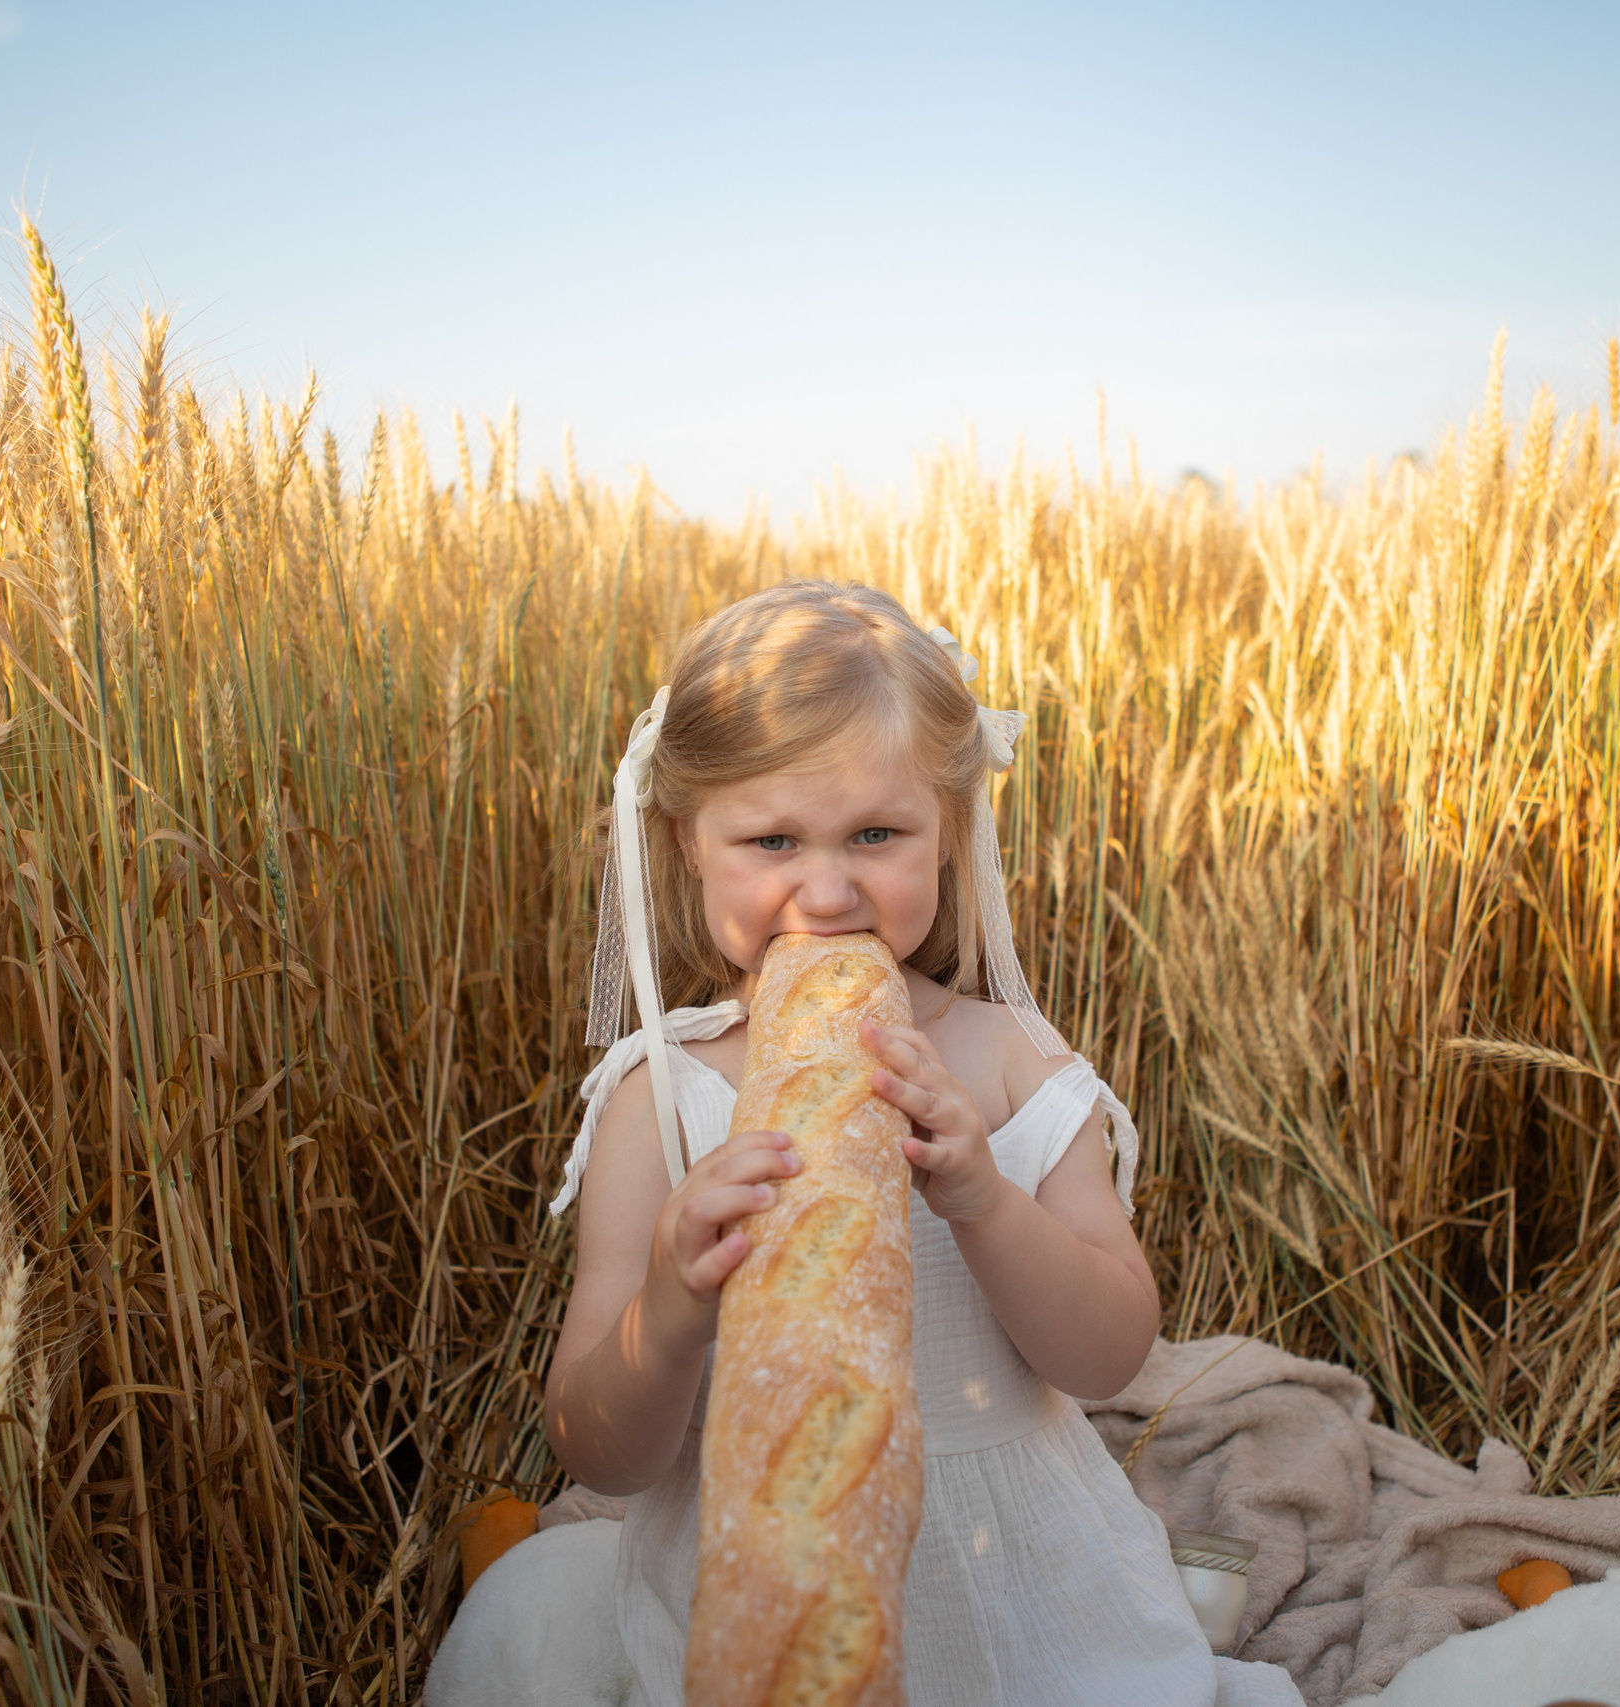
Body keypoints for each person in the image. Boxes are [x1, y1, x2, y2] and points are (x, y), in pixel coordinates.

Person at [524, 582, 1302, 1706]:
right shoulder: (664, 1098)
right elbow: (597, 1451)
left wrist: (984, 1198)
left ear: (950, 837)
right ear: (686, 842)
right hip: (769, 1600)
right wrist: (671, 1300)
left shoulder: (1008, 1064)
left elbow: (1109, 1354)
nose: (828, 891)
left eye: (877, 836)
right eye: (772, 839)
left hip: (1025, 1598)